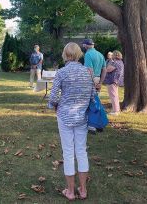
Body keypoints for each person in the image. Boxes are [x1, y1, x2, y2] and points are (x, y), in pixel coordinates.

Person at [48, 42, 95, 201]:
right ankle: (83, 190)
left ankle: (70, 191)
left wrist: (54, 106)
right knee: (81, 151)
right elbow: (93, 96)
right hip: (82, 116)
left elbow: (53, 97)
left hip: (65, 116)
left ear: (65, 54)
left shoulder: (61, 72)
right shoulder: (87, 72)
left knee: (68, 152)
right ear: (79, 54)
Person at [104, 50, 124, 116]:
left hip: (112, 81)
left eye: (113, 55)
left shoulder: (115, 62)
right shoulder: (120, 62)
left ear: (115, 55)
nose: (111, 56)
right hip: (116, 81)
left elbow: (108, 69)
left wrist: (110, 63)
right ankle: (115, 109)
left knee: (113, 96)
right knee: (115, 95)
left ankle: (116, 111)